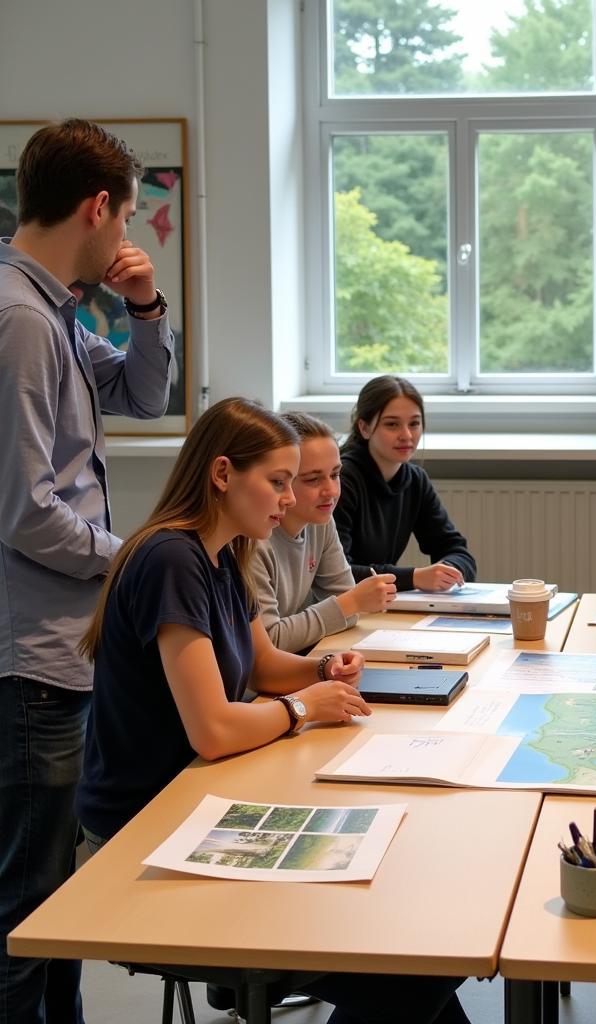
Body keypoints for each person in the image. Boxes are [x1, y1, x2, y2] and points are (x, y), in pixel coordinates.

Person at [75, 398, 470, 1024]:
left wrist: (320, 670)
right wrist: (302, 708)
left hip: (196, 804)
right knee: (411, 973)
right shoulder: (171, 559)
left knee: (420, 954)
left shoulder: (224, 553)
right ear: (223, 473)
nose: (290, 500)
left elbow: (260, 665)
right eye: (279, 482)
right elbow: (215, 730)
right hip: (142, 833)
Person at [0, 118, 173, 1024]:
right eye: (128, 218)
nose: (128, 236)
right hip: (31, 659)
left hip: (61, 649)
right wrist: (134, 558)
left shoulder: (59, 310)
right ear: (97, 207)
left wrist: (146, 309)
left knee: (47, 905)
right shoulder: (22, 320)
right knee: (26, 912)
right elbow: (29, 511)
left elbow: (145, 395)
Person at [252, 412, 397, 652]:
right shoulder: (253, 539)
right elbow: (271, 641)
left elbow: (350, 614)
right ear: (281, 480)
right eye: (313, 480)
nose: (330, 490)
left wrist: (348, 605)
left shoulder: (321, 522)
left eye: (335, 474)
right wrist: (349, 604)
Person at [334, 375, 476, 591]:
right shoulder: (340, 480)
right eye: (392, 424)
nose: (407, 435)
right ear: (364, 428)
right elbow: (338, 572)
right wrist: (414, 578)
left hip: (380, 601)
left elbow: (456, 550)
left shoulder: (415, 480)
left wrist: (447, 570)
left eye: (415, 423)